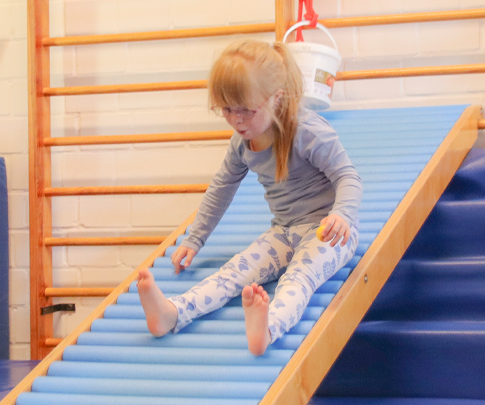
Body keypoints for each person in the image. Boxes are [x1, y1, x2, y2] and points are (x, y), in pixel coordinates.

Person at [136, 39, 362, 356]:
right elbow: (221, 188)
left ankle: (267, 327)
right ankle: (172, 313)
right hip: (283, 231)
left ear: (276, 98)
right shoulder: (242, 142)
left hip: (329, 232)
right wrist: (194, 239)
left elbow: (348, 176)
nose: (236, 120)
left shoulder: (308, 131)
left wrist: (342, 215)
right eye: (227, 109)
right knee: (232, 273)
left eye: (245, 110)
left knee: (299, 277)